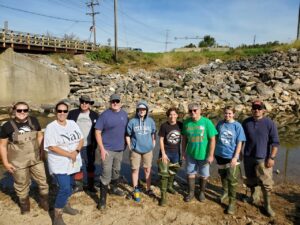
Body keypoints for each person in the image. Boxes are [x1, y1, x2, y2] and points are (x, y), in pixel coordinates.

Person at [0, 101, 49, 214]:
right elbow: (2, 146)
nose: (22, 112)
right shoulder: (7, 126)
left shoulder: (34, 120)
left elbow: (40, 136)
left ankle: (44, 201)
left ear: (28, 111)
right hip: (18, 161)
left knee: (43, 181)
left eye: (25, 110)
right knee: (21, 184)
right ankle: (24, 205)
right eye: (19, 110)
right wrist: (6, 163)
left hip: (35, 158)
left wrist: (42, 152)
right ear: (14, 111)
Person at [44, 101, 84, 225]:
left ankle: (65, 205)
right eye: (59, 111)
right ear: (56, 112)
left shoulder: (72, 123)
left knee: (71, 184)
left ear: (67, 112)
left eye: (64, 111)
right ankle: (57, 216)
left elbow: (81, 139)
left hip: (73, 162)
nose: (62, 113)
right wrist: (69, 154)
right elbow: (51, 146)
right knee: (65, 188)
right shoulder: (51, 127)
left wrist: (76, 151)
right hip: (59, 163)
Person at [242, 100, 279, 217]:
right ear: (251, 109)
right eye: (254, 108)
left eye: (259, 108)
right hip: (248, 157)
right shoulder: (246, 122)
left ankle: (267, 205)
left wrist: (272, 157)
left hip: (263, 158)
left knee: (266, 183)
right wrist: (240, 153)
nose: (256, 110)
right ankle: (253, 197)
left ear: (263, 110)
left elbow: (276, 143)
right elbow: (241, 139)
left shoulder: (269, 123)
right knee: (251, 179)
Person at [95, 94, 128, 210]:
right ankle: (102, 199)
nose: (115, 103)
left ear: (120, 102)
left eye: (117, 101)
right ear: (110, 102)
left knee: (116, 171)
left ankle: (113, 189)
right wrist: (102, 149)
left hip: (120, 149)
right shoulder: (104, 115)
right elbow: (97, 132)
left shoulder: (124, 114)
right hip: (107, 150)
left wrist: (127, 144)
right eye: (113, 101)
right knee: (106, 173)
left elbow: (126, 131)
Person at [182, 102, 218, 202]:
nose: (193, 112)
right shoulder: (186, 122)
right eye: (190, 111)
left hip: (204, 154)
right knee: (190, 173)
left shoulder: (207, 122)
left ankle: (202, 193)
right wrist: (183, 152)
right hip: (190, 153)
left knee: (204, 174)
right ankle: (191, 193)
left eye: (195, 110)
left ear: (200, 111)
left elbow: (212, 139)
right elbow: (184, 138)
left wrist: (211, 155)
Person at [215, 106, 246, 214]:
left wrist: (235, 156)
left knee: (232, 180)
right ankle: (224, 192)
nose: (227, 115)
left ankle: (232, 202)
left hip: (232, 157)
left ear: (233, 114)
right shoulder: (220, 124)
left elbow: (240, 142)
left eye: (229, 113)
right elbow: (215, 137)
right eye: (225, 113)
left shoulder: (237, 126)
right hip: (219, 155)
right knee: (223, 176)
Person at [126, 100, 156, 202]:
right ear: (137, 110)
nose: (142, 111)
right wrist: (130, 146)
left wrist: (153, 143)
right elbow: (127, 134)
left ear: (146, 110)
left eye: (143, 109)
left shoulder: (151, 121)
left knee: (147, 169)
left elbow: (153, 133)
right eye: (140, 109)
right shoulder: (132, 121)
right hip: (136, 150)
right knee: (135, 169)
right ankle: (136, 189)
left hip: (148, 150)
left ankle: (148, 188)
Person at [67, 95, 98, 193]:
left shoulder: (95, 115)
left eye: (86, 102)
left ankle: (91, 185)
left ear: (89, 104)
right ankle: (78, 185)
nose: (84, 104)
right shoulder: (72, 113)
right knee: (77, 166)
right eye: (82, 102)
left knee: (90, 166)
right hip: (75, 146)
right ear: (80, 102)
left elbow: (100, 130)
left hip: (89, 146)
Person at [157, 107, 182, 206]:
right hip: (165, 153)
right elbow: (161, 140)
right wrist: (163, 153)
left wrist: (183, 152)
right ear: (168, 116)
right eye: (170, 115)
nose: (172, 117)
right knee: (164, 174)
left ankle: (170, 186)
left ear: (177, 115)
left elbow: (185, 138)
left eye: (174, 114)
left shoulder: (180, 125)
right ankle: (163, 197)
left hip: (176, 153)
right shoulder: (164, 126)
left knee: (173, 171)